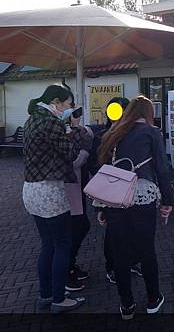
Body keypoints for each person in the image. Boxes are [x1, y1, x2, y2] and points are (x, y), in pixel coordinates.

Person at [97, 95, 173, 319]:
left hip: (115, 197)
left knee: (120, 254)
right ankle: (153, 299)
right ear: (148, 114)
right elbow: (162, 169)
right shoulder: (151, 132)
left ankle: (126, 304)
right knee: (146, 250)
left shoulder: (115, 133)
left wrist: (100, 207)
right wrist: (168, 201)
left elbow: (103, 170)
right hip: (142, 195)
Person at [22, 84, 86, 314]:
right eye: (68, 105)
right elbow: (70, 153)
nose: (69, 109)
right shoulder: (50, 122)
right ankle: (59, 299)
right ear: (56, 103)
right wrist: (75, 129)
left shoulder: (33, 119)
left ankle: (47, 294)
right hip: (49, 192)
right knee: (62, 245)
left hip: (31, 190)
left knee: (48, 244)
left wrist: (64, 127)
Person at [88, 97, 143, 284]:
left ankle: (133, 261)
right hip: (109, 193)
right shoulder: (101, 137)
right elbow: (94, 167)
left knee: (134, 229)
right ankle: (112, 266)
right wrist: (99, 206)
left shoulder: (133, 135)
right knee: (113, 232)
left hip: (130, 192)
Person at [63, 109, 94, 290]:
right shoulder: (60, 133)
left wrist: (80, 130)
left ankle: (70, 266)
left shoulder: (73, 130)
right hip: (68, 188)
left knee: (79, 226)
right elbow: (74, 160)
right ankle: (67, 271)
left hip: (77, 186)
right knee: (77, 228)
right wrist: (85, 150)